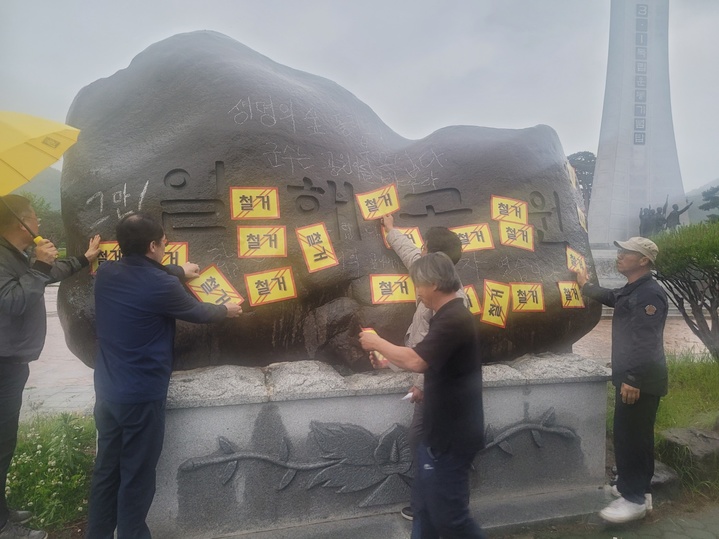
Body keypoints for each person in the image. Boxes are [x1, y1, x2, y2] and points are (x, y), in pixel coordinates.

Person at [85, 213, 242, 539]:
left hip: (108, 390)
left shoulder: (106, 273)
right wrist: (226, 310)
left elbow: (145, 276)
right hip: (141, 395)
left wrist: (178, 271)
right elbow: (197, 312)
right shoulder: (162, 285)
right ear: (154, 245)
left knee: (106, 469)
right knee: (137, 473)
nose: (165, 248)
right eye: (164, 244)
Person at [360, 252, 485, 539]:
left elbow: (417, 361)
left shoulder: (454, 318)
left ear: (433, 283)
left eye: (418, 284)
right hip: (437, 431)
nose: (417, 291)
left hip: (452, 437)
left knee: (451, 519)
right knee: (426, 513)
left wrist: (377, 341)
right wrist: (389, 362)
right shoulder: (446, 316)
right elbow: (433, 362)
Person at [0, 194, 101, 539]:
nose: (40, 223)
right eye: (35, 217)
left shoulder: (15, 254)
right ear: (21, 222)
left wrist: (82, 260)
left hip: (11, 360)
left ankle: (1, 510)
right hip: (1, 364)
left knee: (5, 441)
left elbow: (41, 276)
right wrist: (40, 266)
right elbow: (12, 301)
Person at [378, 214, 467, 521]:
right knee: (423, 444)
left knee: (426, 445)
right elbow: (412, 256)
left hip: (436, 391)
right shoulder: (439, 288)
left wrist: (419, 384)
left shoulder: (451, 306)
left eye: (424, 247)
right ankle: (428, 509)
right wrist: (392, 233)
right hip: (432, 387)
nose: (420, 251)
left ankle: (434, 510)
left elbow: (429, 355)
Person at [574, 237, 668, 524]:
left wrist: (632, 378)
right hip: (635, 377)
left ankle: (634, 499)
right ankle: (640, 490)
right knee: (633, 435)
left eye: (627, 253)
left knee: (632, 437)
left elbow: (645, 341)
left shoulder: (650, 294)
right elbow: (613, 298)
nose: (620, 256)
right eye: (620, 251)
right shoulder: (634, 289)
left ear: (643, 261)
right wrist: (585, 285)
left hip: (639, 380)